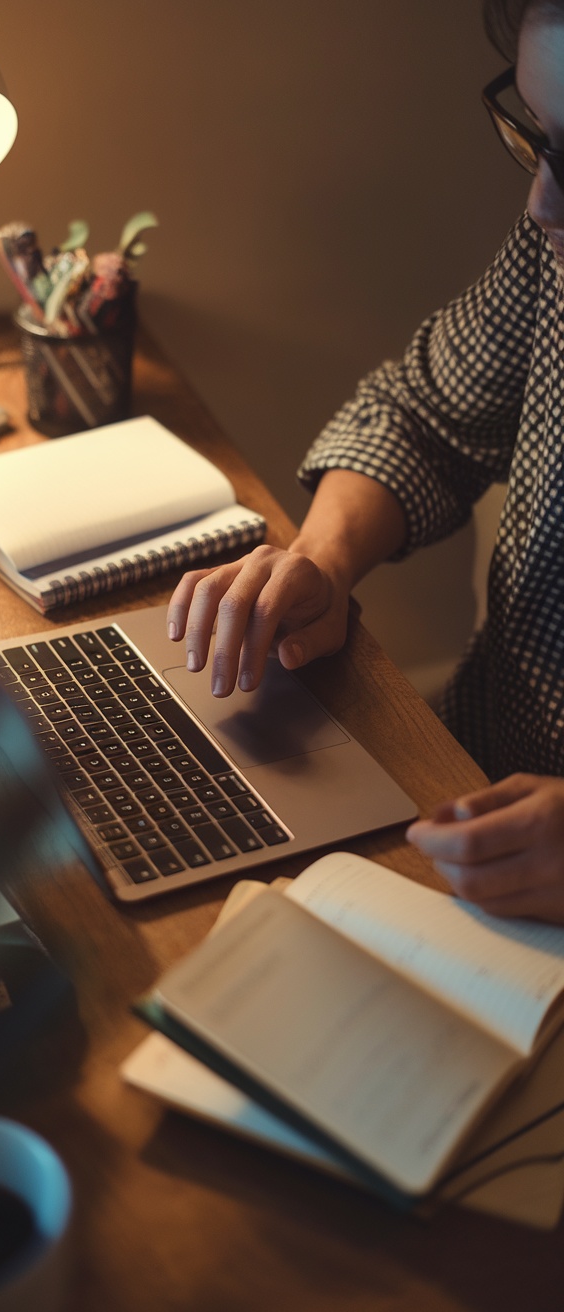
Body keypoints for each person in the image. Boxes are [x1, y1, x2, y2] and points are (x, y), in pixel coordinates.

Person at [166, 0, 564, 923]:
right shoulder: (555, 255)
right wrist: (321, 561)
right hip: (460, 775)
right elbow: (419, 412)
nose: (541, 203)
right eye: (540, 138)